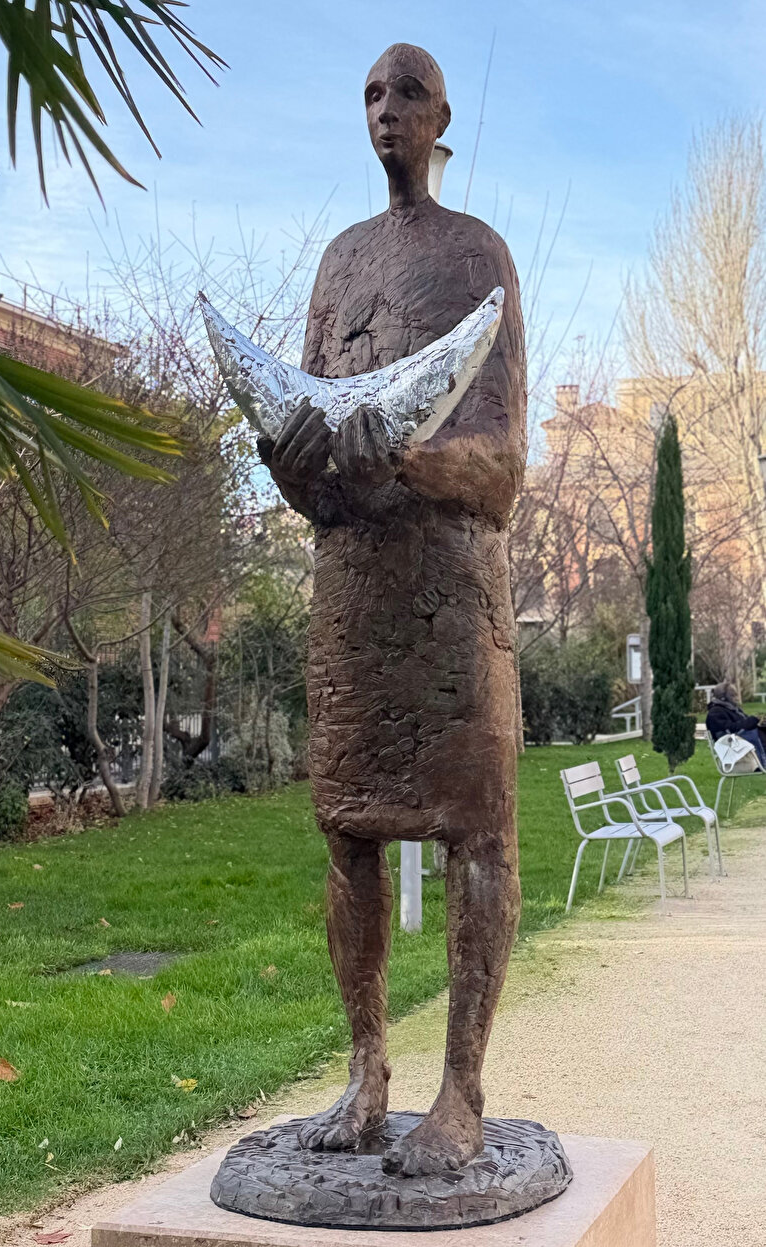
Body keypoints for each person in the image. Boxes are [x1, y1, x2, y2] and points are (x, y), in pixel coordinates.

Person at [258, 44, 526, 1177]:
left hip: (452, 597)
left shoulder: (478, 255)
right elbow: (314, 456)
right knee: (347, 834)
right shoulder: (339, 262)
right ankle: (366, 1071)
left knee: (478, 833)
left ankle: (461, 1087)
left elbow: (503, 465)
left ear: (442, 117)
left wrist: (411, 458)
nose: (386, 111)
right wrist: (291, 461)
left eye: (407, 94)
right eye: (371, 94)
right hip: (353, 598)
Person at [706, 682, 766, 768]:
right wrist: (750, 722)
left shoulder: (732, 709)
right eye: (733, 695)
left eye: (736, 694)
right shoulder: (715, 712)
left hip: (743, 743)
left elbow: (744, 724)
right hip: (733, 748)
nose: (737, 698)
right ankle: (762, 763)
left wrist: (758, 722)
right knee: (755, 732)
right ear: (723, 697)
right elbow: (727, 731)